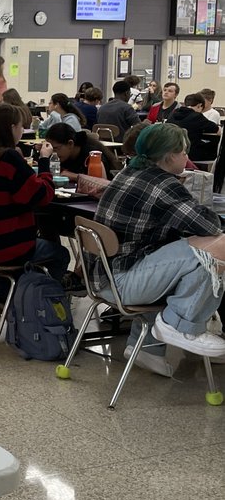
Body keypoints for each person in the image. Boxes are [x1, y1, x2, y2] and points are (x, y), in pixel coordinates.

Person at [92, 123, 225, 375]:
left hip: (105, 277)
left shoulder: (128, 173)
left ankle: (146, 348)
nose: (187, 157)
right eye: (184, 152)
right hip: (123, 283)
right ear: (169, 156)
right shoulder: (163, 184)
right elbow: (209, 224)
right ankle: (180, 325)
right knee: (214, 250)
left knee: (194, 254)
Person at [0, 103, 69, 298]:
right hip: (8, 246)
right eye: (21, 126)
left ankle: (1, 287)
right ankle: (37, 304)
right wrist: (44, 161)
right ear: (11, 128)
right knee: (60, 255)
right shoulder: (8, 158)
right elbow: (42, 196)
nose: (23, 130)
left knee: (38, 246)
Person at [40, 123, 116, 180]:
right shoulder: (65, 156)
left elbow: (100, 182)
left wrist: (76, 177)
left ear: (70, 144)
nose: (53, 153)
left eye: (56, 148)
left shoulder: (93, 156)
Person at [169, 92, 220, 161]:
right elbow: (216, 129)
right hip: (191, 153)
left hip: (171, 151)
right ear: (200, 105)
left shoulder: (173, 113)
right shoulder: (197, 116)